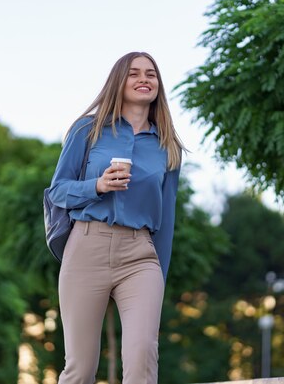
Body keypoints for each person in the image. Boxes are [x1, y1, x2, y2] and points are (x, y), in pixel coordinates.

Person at [47, 51, 185, 383]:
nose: (144, 79)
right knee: (80, 368)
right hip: (87, 246)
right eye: (134, 73)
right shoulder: (88, 130)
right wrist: (97, 185)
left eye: (151, 74)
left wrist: (160, 279)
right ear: (118, 82)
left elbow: (166, 222)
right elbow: (57, 192)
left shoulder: (168, 147)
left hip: (141, 256)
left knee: (142, 355)